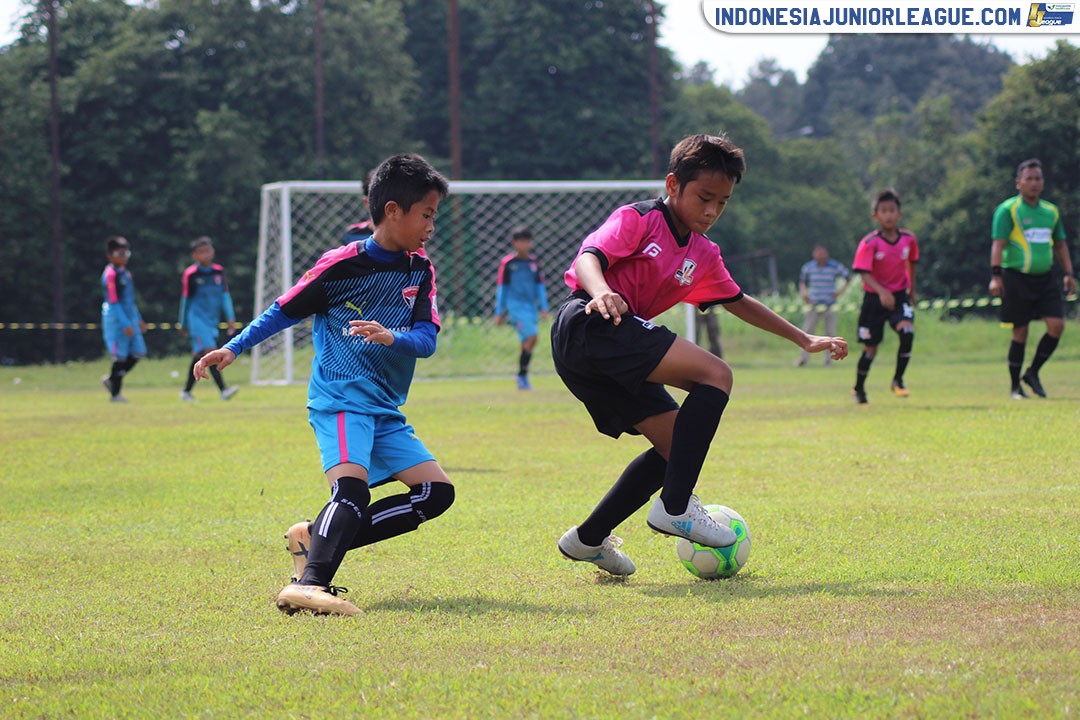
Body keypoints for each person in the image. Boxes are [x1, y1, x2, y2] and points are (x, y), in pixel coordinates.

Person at [550, 133, 847, 576]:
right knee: (716, 374)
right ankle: (676, 507)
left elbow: (738, 300)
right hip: (591, 325)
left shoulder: (704, 254)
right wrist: (604, 291)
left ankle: (588, 539)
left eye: (722, 203)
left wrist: (803, 339)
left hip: (612, 350)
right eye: (704, 198)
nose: (712, 211)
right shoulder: (640, 219)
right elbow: (590, 256)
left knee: (677, 448)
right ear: (673, 186)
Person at [194, 153, 455, 616]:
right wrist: (232, 348)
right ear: (392, 210)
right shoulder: (340, 265)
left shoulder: (420, 269)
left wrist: (392, 336)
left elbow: (427, 339)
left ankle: (315, 541)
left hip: (385, 409)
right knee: (351, 493)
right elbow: (283, 309)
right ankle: (311, 584)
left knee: (436, 494)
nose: (431, 226)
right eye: (426, 214)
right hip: (341, 401)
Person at [989, 158, 1075, 399]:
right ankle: (1015, 387)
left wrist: (1069, 273)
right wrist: (996, 276)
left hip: (1045, 278)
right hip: (1015, 277)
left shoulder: (1051, 212)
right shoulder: (1008, 210)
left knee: (1057, 326)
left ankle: (1033, 372)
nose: (1034, 183)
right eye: (1029, 179)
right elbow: (998, 244)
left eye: (1038, 178)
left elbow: (1060, 244)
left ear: (1043, 182)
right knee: (1021, 332)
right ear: (1019, 183)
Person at [851, 189, 919, 404]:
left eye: (892, 210)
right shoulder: (870, 242)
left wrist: (911, 290)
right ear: (875, 215)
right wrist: (882, 291)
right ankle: (859, 388)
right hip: (874, 299)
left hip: (899, 296)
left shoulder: (908, 239)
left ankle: (898, 380)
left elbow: (911, 264)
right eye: (884, 211)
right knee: (870, 348)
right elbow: (863, 272)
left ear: (899, 213)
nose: (888, 215)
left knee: (907, 332)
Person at [178, 236, 238, 401]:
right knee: (211, 351)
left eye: (208, 251)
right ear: (194, 256)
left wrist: (230, 317)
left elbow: (225, 296)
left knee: (199, 356)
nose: (205, 255)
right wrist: (182, 323)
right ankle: (224, 390)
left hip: (212, 321)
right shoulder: (191, 274)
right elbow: (186, 300)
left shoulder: (218, 271)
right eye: (201, 252)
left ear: (213, 252)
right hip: (196, 320)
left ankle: (186, 392)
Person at [495, 225, 550, 390]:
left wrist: (544, 308)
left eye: (526, 241)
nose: (523, 245)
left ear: (530, 243)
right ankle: (522, 375)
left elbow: (540, 287)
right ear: (513, 243)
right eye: (520, 242)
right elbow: (502, 287)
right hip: (515, 307)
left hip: (530, 307)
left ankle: (522, 377)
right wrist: (499, 312)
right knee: (533, 337)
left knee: (527, 341)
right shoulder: (508, 263)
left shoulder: (534, 263)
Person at [100, 236, 146, 403]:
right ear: (110, 255)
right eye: (120, 254)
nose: (124, 257)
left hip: (131, 317)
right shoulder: (110, 275)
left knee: (138, 353)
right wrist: (125, 323)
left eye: (126, 253)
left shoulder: (126, 273)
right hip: (117, 320)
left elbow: (129, 301)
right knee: (120, 356)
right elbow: (114, 302)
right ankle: (115, 394)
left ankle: (112, 379)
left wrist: (138, 319)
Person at [794, 243, 851, 367]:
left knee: (830, 333)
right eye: (818, 252)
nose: (820, 254)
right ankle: (803, 359)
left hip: (829, 304)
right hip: (813, 304)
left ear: (826, 253)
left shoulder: (834, 266)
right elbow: (802, 282)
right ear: (814, 254)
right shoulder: (808, 267)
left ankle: (829, 360)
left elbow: (848, 276)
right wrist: (804, 294)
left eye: (822, 252)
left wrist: (839, 292)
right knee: (807, 332)